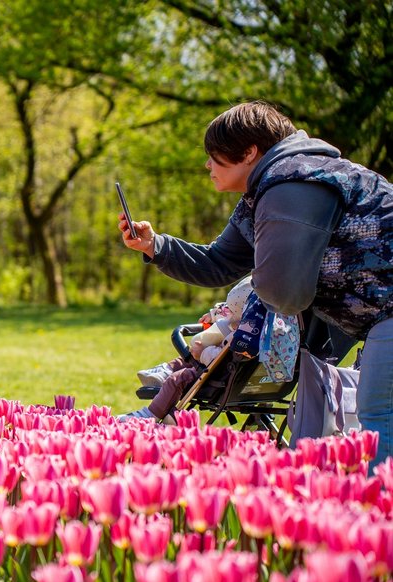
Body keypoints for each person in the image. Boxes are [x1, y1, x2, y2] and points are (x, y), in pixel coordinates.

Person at [118, 101, 393, 467]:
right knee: (379, 416)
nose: (207, 166)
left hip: (386, 313)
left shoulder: (293, 183)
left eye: (214, 157)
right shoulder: (266, 190)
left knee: (380, 415)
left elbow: (284, 292)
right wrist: (156, 246)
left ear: (249, 152)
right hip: (379, 318)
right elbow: (218, 263)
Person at [127, 277, 252, 421]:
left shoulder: (241, 338)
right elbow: (230, 309)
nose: (230, 319)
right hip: (242, 378)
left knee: (178, 378)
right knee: (192, 355)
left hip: (219, 375)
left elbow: (222, 357)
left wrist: (202, 353)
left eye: (233, 316)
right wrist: (213, 315)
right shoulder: (262, 324)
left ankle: (150, 415)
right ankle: (165, 371)